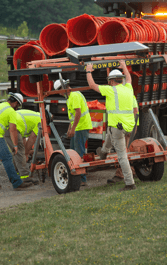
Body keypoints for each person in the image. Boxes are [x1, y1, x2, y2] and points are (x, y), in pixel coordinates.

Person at [86, 60, 136, 192]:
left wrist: (88, 70)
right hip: (128, 126)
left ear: (112, 81)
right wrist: (124, 66)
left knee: (122, 156)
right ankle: (103, 153)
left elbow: (92, 85)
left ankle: (130, 183)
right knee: (109, 133)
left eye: (109, 81)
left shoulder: (110, 90)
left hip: (118, 128)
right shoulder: (128, 89)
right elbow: (129, 79)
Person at [0, 93, 33, 191]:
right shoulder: (11, 111)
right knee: (7, 157)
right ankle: (17, 183)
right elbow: (12, 130)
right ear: (16, 103)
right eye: (18, 106)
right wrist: (15, 145)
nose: (17, 108)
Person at [54, 78, 92, 186]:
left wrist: (73, 128)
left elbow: (78, 113)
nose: (60, 95)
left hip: (81, 127)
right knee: (72, 152)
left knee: (78, 153)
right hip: (78, 127)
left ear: (63, 89)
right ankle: (77, 176)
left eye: (59, 92)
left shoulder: (74, 95)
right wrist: (70, 129)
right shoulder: (70, 97)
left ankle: (82, 179)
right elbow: (73, 117)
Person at [4, 109, 41, 184]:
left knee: (17, 152)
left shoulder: (34, 116)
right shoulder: (40, 122)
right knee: (20, 153)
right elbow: (31, 139)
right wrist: (26, 154)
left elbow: (23, 139)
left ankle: (14, 176)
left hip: (8, 126)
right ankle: (25, 177)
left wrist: (26, 151)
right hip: (14, 128)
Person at [107, 95, 138, 184]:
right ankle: (131, 171)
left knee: (123, 152)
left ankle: (120, 174)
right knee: (125, 151)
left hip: (126, 126)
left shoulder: (125, 96)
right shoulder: (130, 95)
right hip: (129, 125)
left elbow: (135, 110)